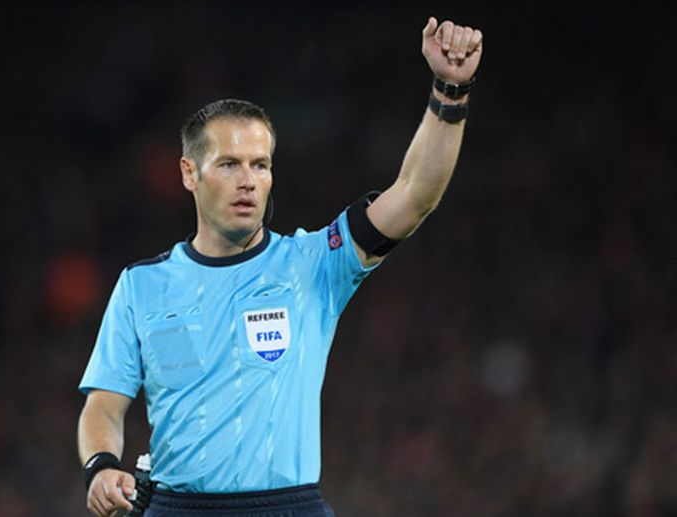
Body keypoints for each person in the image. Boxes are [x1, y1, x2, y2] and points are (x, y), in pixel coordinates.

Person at [77, 16, 483, 517]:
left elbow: (416, 194)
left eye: (260, 164)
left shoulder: (313, 264)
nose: (248, 180)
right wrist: (101, 465)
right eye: (229, 164)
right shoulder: (141, 286)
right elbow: (104, 403)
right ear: (189, 173)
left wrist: (450, 91)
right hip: (176, 508)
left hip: (288, 507)